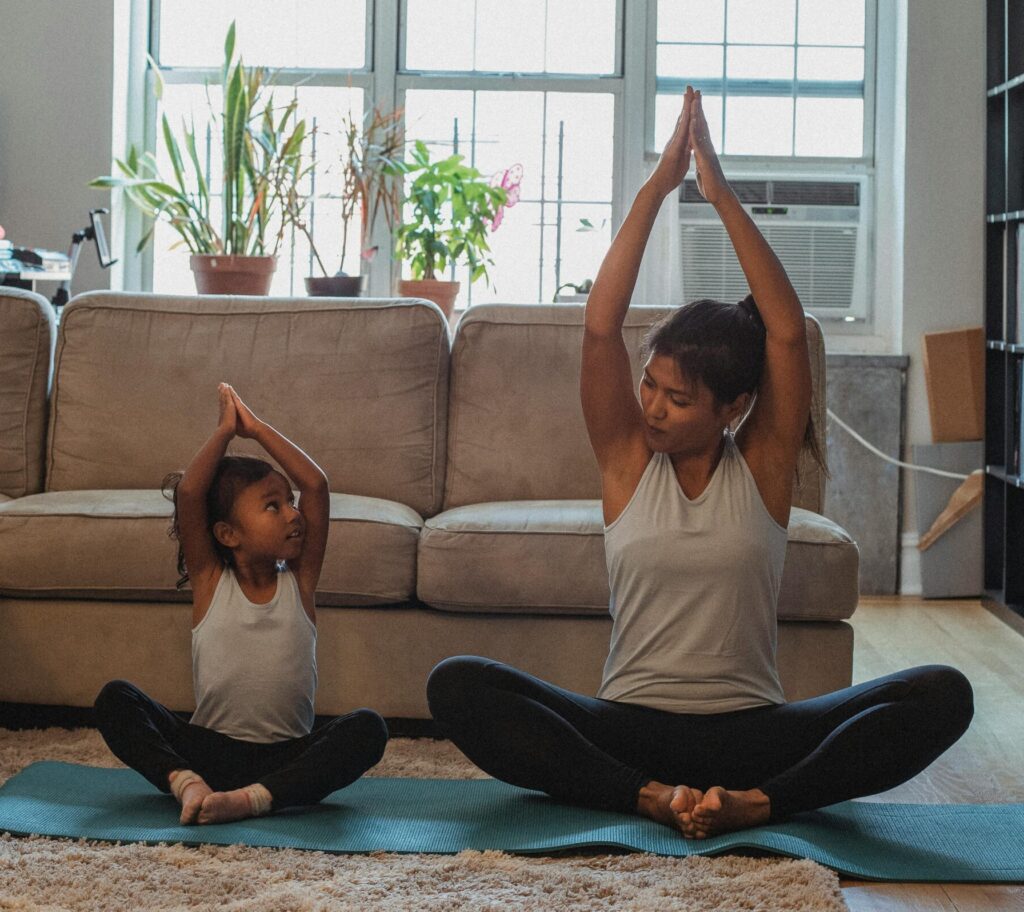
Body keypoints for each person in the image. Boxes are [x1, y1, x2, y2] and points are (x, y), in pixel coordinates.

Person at [426, 87, 973, 838]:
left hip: (753, 735)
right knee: (457, 686)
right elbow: (598, 328)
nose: (651, 407)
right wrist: (658, 187)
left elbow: (785, 332)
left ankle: (759, 803)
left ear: (733, 407)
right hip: (627, 727)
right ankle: (647, 796)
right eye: (649, 385)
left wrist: (719, 195)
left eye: (676, 400)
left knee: (944, 692)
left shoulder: (764, 466)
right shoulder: (626, 460)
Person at [95, 383, 387, 825]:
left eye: (289, 503)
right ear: (228, 534)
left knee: (368, 728)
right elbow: (190, 495)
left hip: (288, 757)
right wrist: (223, 434)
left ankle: (252, 799)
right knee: (115, 699)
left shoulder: (301, 582)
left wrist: (256, 429)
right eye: (273, 506)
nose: (293, 514)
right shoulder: (211, 582)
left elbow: (317, 486)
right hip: (209, 751)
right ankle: (186, 783)